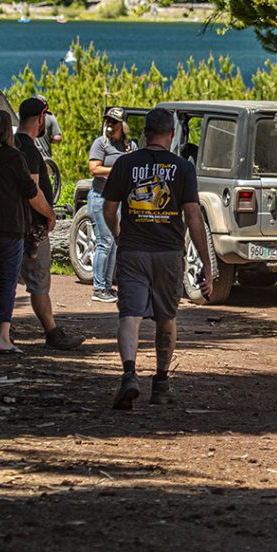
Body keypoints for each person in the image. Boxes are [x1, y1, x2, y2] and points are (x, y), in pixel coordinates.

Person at [102, 107, 212, 410]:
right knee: (167, 318)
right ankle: (161, 383)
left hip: (133, 251)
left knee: (129, 315)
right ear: (172, 135)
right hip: (169, 253)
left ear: (145, 133)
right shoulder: (183, 168)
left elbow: (108, 210)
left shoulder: (125, 164)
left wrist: (119, 234)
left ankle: (128, 375)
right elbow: (193, 217)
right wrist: (206, 262)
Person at [0, 110, 56, 353]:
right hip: (10, 227)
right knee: (7, 282)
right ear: (8, 131)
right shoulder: (14, 158)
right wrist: (49, 213)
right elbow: (30, 190)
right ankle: (4, 336)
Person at [2, 96, 86, 350]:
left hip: (13, 224)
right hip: (32, 228)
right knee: (37, 282)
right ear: (41, 119)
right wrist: (49, 215)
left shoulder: (11, 145)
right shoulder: (27, 148)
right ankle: (52, 333)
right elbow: (32, 190)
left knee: (6, 277)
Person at [87, 107, 137, 303]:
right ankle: (98, 288)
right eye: (108, 121)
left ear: (122, 126)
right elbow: (94, 169)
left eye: (114, 122)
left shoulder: (129, 146)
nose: (109, 125)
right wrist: (118, 169)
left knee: (115, 243)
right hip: (101, 197)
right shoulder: (101, 144)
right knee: (104, 242)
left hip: (120, 200)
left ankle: (107, 286)